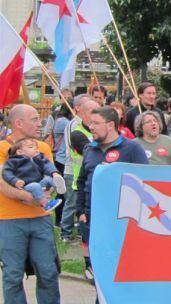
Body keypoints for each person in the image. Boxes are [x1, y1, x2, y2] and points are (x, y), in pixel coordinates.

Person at [76, 106, 148, 299]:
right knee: (100, 275)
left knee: (123, 276)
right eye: (90, 123)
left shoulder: (132, 148)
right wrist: (80, 211)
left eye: (95, 123)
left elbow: (145, 181)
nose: (90, 127)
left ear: (110, 125)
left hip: (122, 223)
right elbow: (82, 180)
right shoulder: (89, 149)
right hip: (93, 221)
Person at [0, 104, 60, 303]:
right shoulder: (2, 148)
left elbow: (50, 177)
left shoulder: (42, 147)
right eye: (34, 119)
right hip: (9, 220)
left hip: (40, 219)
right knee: (13, 275)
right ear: (18, 123)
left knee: (48, 271)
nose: (39, 122)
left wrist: (48, 191)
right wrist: (31, 197)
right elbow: (3, 184)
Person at [62, 96, 100, 246]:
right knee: (72, 204)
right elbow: (90, 152)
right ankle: (66, 232)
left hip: (94, 177)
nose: (96, 114)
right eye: (93, 111)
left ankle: (82, 232)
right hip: (77, 175)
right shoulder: (76, 130)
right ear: (83, 114)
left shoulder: (98, 129)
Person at [2, 137, 66, 208]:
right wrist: (15, 181)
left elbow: (47, 165)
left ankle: (60, 188)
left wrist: (54, 173)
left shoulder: (39, 158)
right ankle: (46, 204)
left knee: (48, 179)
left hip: (40, 183)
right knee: (35, 186)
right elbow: (6, 172)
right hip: (26, 186)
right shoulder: (13, 161)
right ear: (20, 152)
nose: (36, 149)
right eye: (31, 147)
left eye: (36, 147)